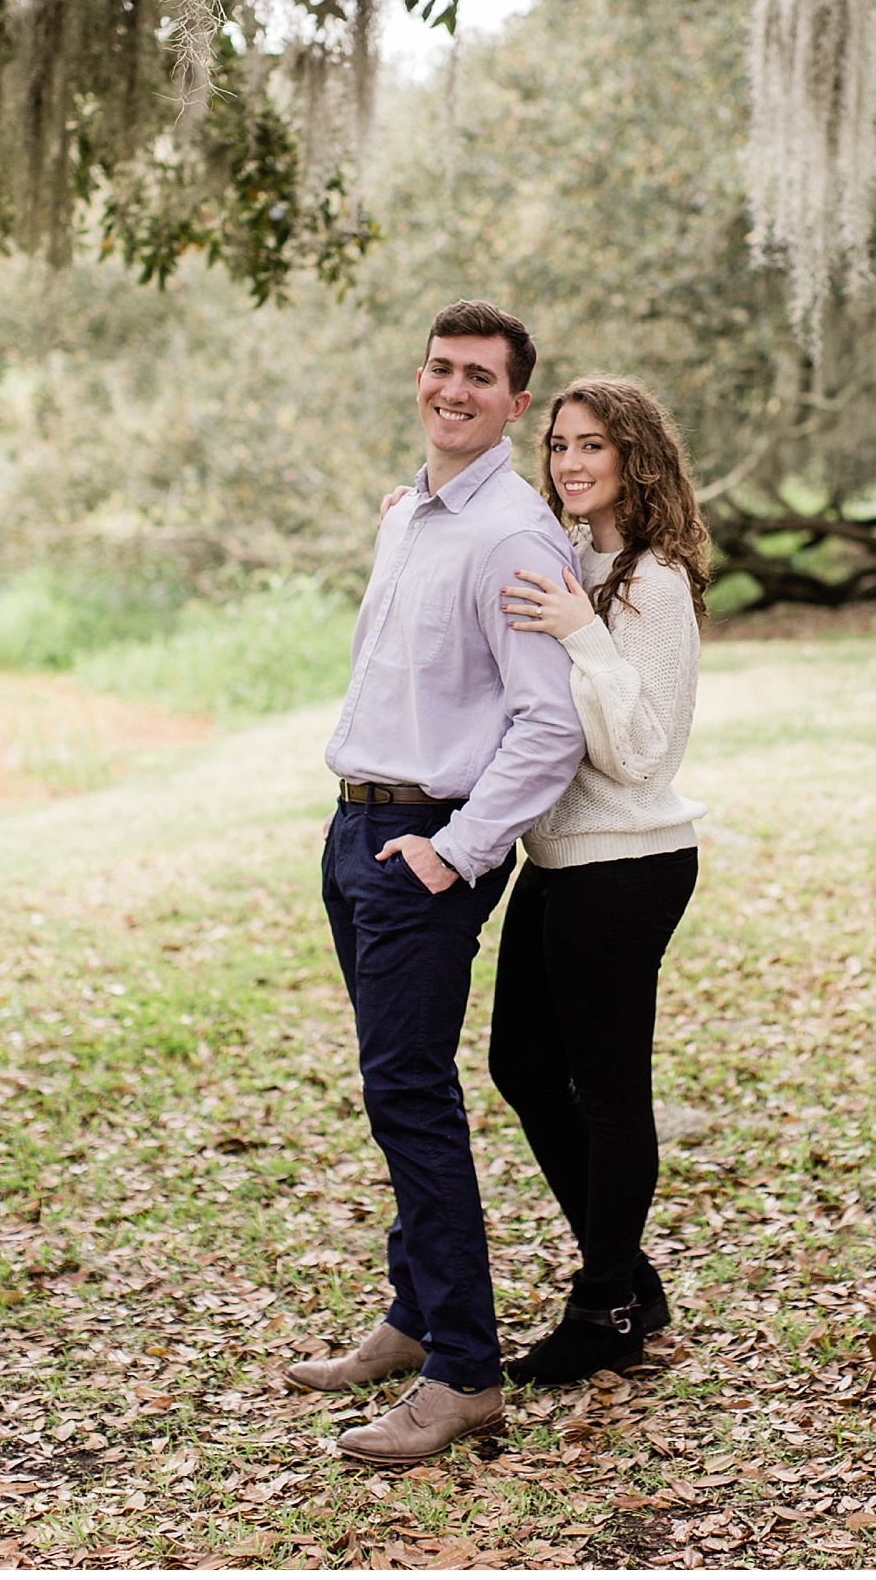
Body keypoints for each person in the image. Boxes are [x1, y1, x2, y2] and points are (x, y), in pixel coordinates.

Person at [289, 300, 587, 1464]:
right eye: (440, 368)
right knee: (392, 1087)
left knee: (411, 1098)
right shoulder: (411, 511)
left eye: (481, 377)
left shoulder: (513, 535)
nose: (452, 389)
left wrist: (455, 850)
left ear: (518, 403)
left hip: (424, 846)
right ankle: (414, 1317)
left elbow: (547, 724)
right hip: (353, 830)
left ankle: (464, 1369)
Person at [488, 376, 712, 1384]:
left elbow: (642, 753)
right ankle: (627, 1275)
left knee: (611, 1091)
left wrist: (582, 630)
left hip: (628, 863)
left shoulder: (653, 582)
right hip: (558, 859)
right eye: (559, 445)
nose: (570, 463)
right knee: (520, 1065)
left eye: (593, 445)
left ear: (636, 457)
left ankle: (609, 1302)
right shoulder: (570, 557)